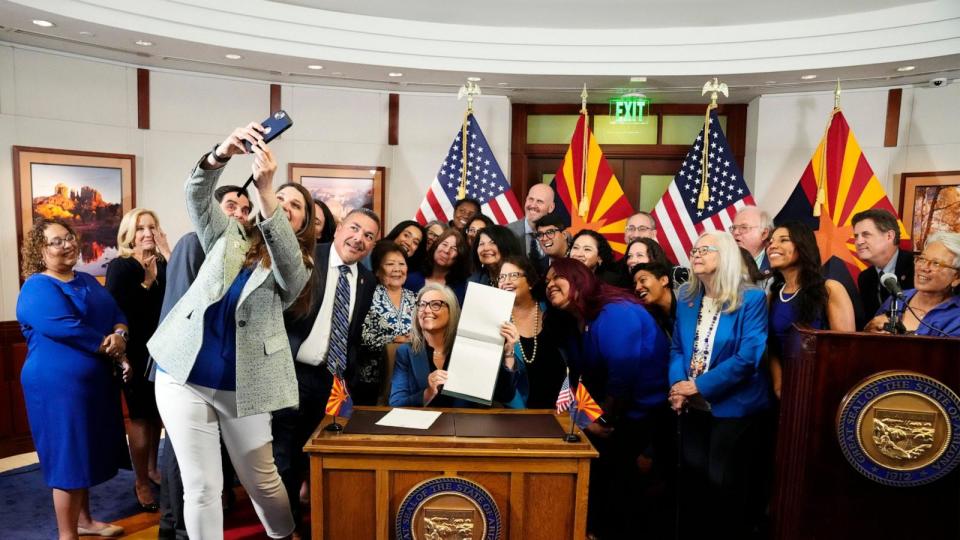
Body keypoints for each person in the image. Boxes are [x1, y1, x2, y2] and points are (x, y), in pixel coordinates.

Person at [148, 123, 314, 539]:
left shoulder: (301, 264)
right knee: (202, 486)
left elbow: (289, 272)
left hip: (246, 387)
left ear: (304, 222)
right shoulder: (229, 236)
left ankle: (283, 534)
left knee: (263, 482)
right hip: (182, 375)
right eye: (281, 200)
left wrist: (268, 189)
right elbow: (197, 195)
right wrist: (220, 153)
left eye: (294, 205)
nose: (284, 207)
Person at [18, 219, 130, 539]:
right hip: (57, 388)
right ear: (40, 250)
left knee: (83, 454)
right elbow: (63, 326)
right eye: (56, 241)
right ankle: (68, 535)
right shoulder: (37, 286)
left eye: (69, 238)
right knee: (68, 459)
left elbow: (116, 312)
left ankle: (85, 521)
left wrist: (121, 333)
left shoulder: (86, 280)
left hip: (93, 385)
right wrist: (111, 347)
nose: (66, 245)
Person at [545, 258, 672, 538]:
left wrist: (599, 419)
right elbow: (580, 380)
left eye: (558, 277)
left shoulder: (616, 312)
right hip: (615, 421)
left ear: (580, 279)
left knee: (627, 505)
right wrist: (585, 418)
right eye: (547, 281)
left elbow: (622, 379)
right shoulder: (579, 322)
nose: (550, 284)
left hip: (644, 424)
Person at [155, 183, 252, 539]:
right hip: (183, 371)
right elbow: (179, 312)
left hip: (218, 372)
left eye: (245, 209)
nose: (239, 214)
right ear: (212, 210)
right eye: (231, 206)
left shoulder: (242, 251)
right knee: (181, 464)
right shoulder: (193, 242)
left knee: (202, 469)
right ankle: (176, 530)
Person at [277, 207, 379, 533]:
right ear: (337, 230)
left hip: (330, 380)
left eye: (368, 236)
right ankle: (287, 528)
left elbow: (351, 333)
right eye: (354, 228)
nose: (359, 238)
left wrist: (343, 377)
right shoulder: (307, 259)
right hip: (292, 372)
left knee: (317, 455)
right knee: (286, 458)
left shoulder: (366, 279)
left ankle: (319, 525)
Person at [667, 231, 772, 538]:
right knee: (694, 480)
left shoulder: (751, 298)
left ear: (724, 255)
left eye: (705, 250)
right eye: (694, 250)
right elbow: (676, 348)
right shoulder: (686, 296)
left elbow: (748, 357)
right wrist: (677, 385)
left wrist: (698, 386)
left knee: (723, 484)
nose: (696, 254)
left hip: (735, 406)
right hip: (691, 406)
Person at [104, 208, 170, 513]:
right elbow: (118, 313)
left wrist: (163, 264)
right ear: (129, 233)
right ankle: (141, 480)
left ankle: (154, 469)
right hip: (135, 354)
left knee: (158, 416)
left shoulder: (165, 263)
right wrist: (147, 280)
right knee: (141, 418)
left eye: (151, 227)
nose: (146, 233)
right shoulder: (121, 266)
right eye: (140, 227)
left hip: (164, 353)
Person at [388, 284, 519, 407]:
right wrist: (427, 393)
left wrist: (508, 352)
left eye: (435, 305)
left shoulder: (472, 347)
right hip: (426, 428)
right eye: (422, 305)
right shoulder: (405, 352)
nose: (426, 310)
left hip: (467, 425)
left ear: (451, 312)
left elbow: (506, 396)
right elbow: (396, 403)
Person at [766, 222, 855, 398]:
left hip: (822, 387)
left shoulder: (830, 289)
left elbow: (845, 349)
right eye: (770, 241)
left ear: (803, 246)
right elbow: (772, 348)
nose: (773, 246)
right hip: (785, 390)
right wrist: (779, 385)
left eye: (784, 240)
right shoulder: (772, 296)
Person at [498, 255, 567, 409]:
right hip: (520, 416)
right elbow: (503, 389)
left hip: (562, 411)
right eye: (501, 277)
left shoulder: (553, 309)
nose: (506, 281)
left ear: (530, 282)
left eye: (513, 275)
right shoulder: (498, 321)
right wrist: (508, 354)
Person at [865, 231, 960, 337]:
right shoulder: (897, 298)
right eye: (922, 259)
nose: (924, 267)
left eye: (936, 263)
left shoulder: (957, 317)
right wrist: (870, 329)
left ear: (957, 278)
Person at [359, 241, 418, 403]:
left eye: (401, 264)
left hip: (406, 379)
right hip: (372, 380)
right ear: (378, 270)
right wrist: (393, 340)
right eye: (390, 264)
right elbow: (359, 335)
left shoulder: (415, 298)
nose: (397, 269)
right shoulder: (368, 295)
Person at [852, 208, 914, 324]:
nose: (858, 242)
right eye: (856, 236)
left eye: (866, 235)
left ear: (889, 236)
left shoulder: (915, 267)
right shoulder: (865, 278)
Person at [405, 228, 471, 304]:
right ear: (435, 247)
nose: (446, 251)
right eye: (444, 244)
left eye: (454, 249)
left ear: (458, 257)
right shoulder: (411, 279)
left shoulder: (461, 288)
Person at [508, 183, 556, 271]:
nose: (533, 205)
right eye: (530, 199)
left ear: (551, 207)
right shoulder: (506, 232)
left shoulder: (558, 235)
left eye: (539, 201)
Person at [632, 261, 677, 339]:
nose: (637, 288)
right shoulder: (656, 319)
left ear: (663, 280)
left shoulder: (690, 300)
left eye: (643, 280)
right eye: (635, 284)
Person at [730, 205, 773, 273]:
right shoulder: (725, 263)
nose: (735, 232)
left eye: (744, 227)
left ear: (764, 234)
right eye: (734, 228)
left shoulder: (776, 266)